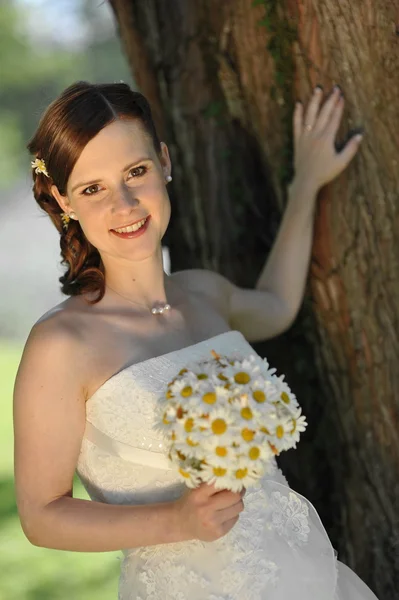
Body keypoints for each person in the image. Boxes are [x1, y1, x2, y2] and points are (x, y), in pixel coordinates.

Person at [13, 81, 378, 600]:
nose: (124, 203)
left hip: (309, 575)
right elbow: (41, 516)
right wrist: (175, 521)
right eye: (93, 188)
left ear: (164, 162)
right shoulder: (61, 344)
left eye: (135, 172)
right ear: (61, 199)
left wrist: (306, 186)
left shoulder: (203, 292)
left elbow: (275, 304)